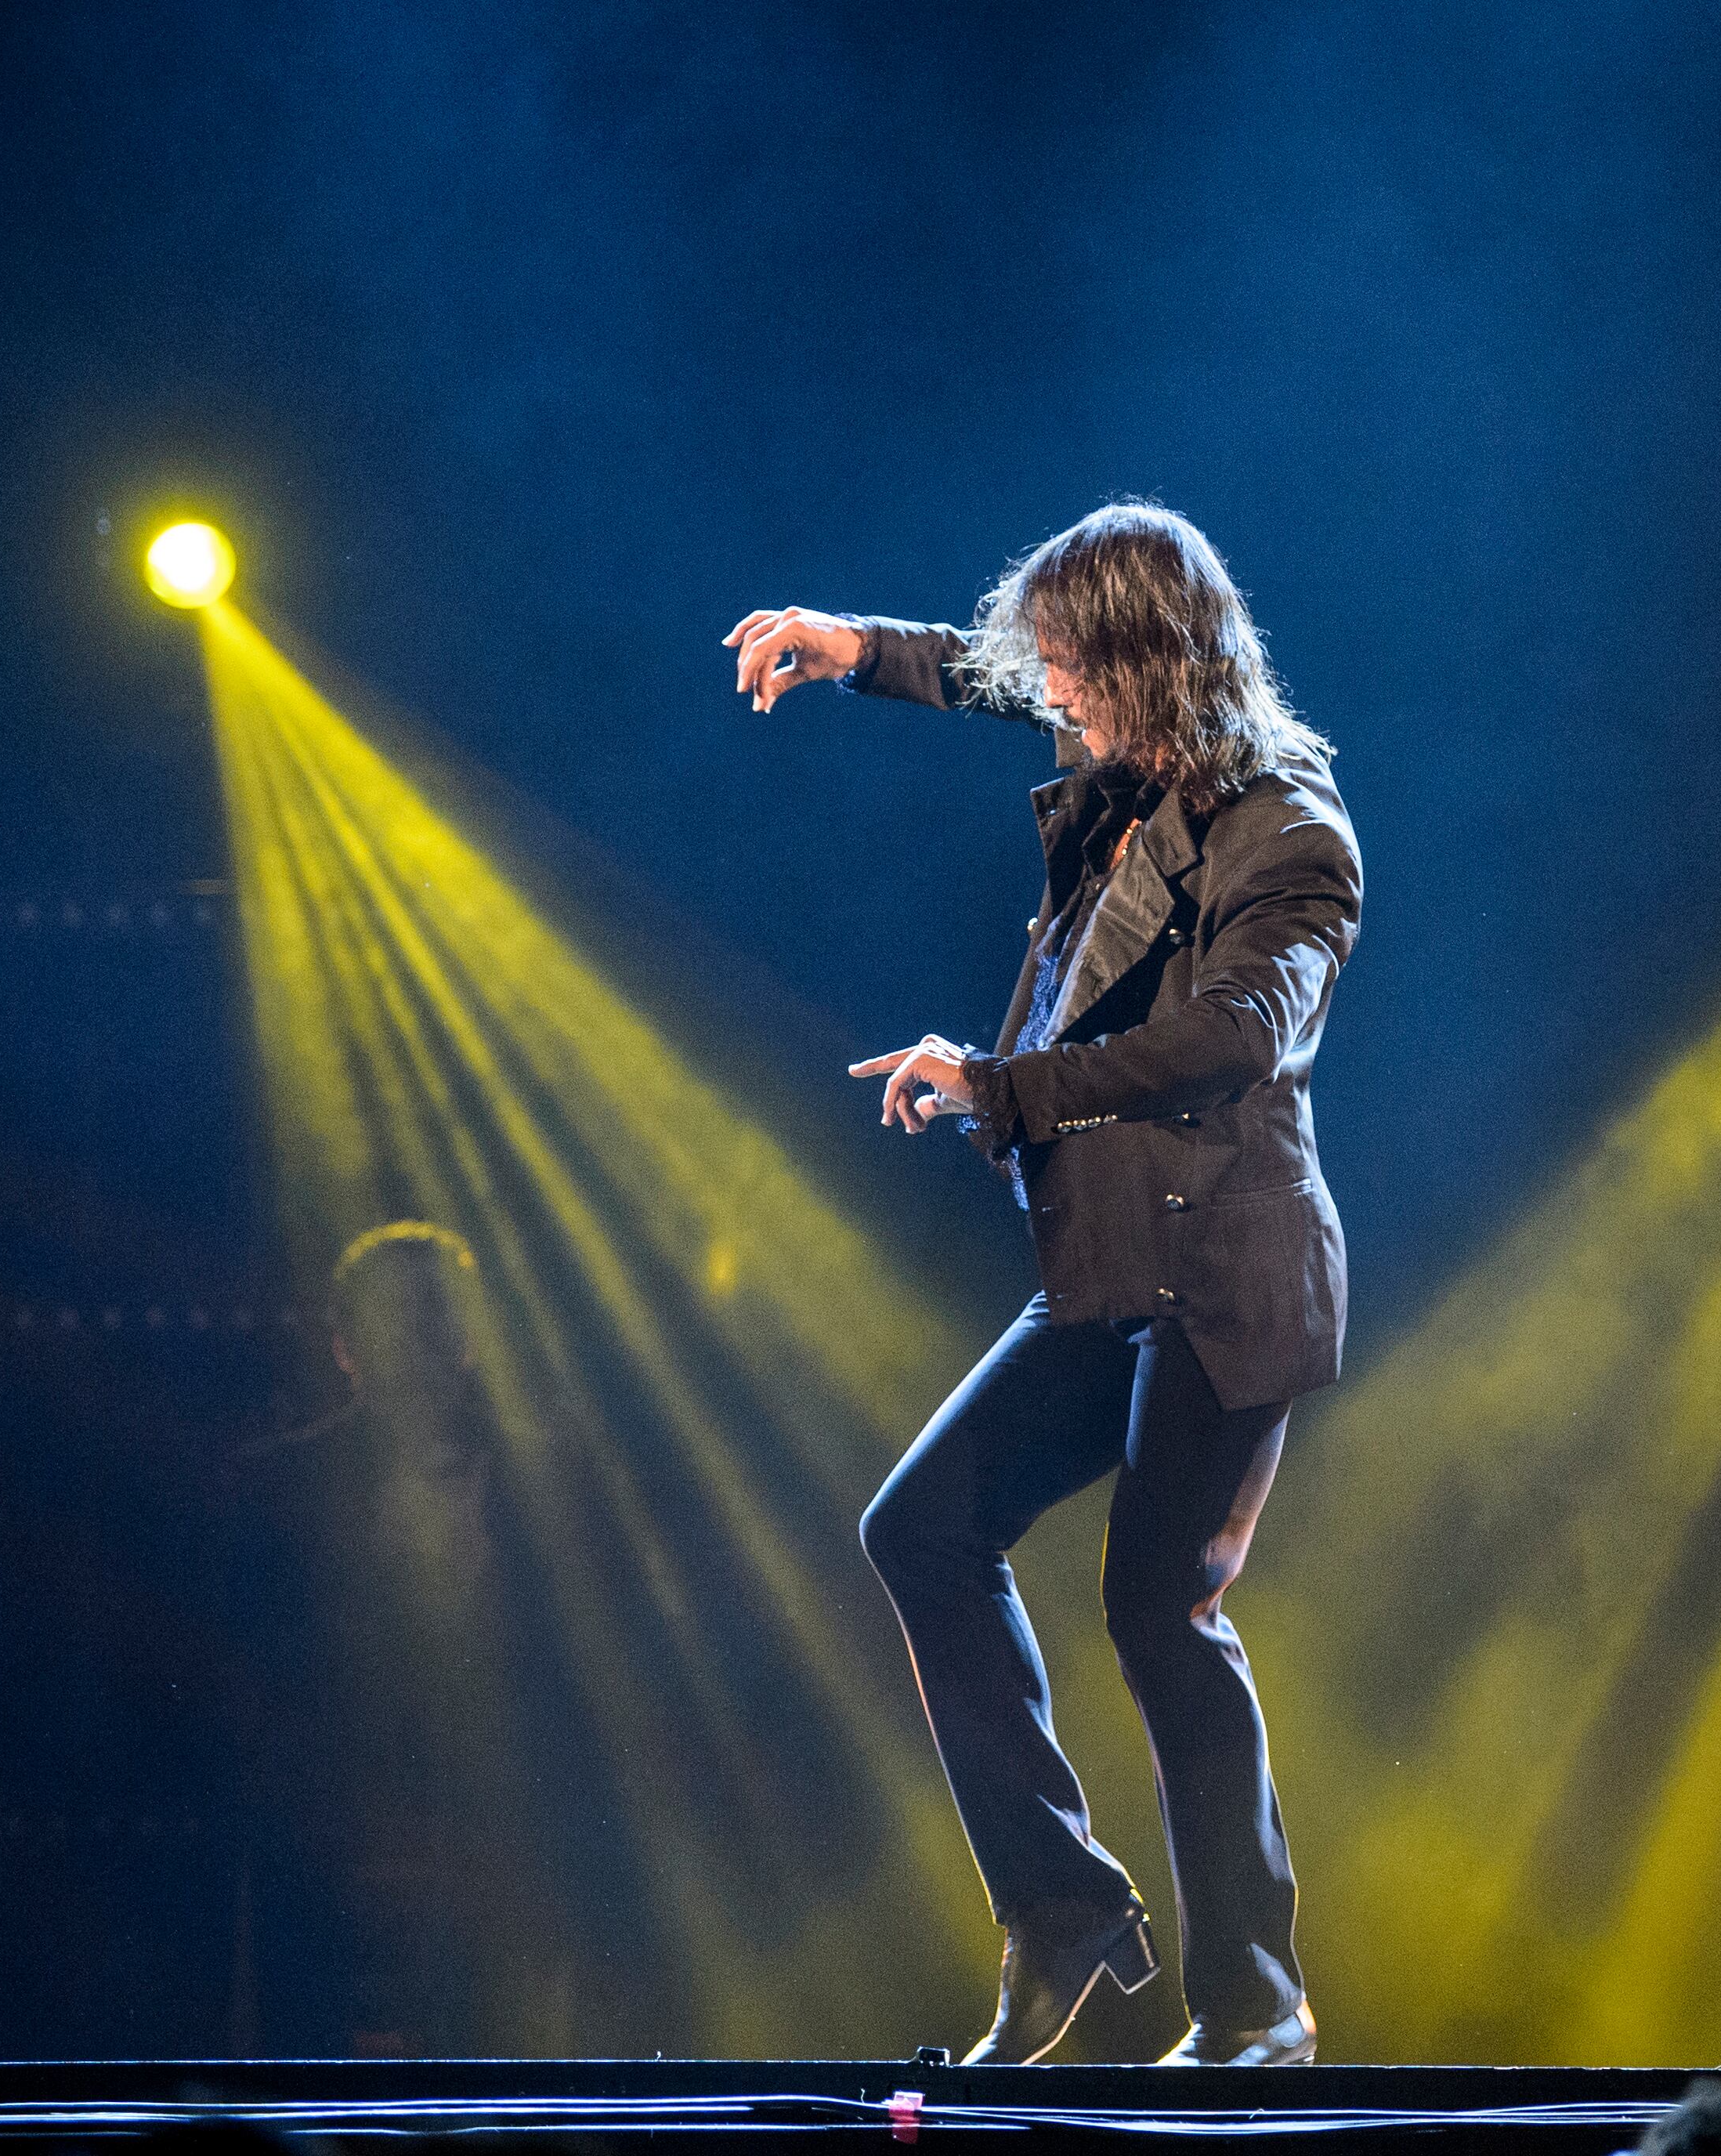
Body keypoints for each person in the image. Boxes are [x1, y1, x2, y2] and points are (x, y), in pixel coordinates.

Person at [724, 503, 1360, 2066]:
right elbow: (994, 667)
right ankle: (1064, 1906)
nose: (1051, 693)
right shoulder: (1134, 753)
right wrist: (854, 646)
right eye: (1051, 670)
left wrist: (1005, 1083)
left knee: (1158, 1603)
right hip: (1108, 1263)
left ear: (1154, 665)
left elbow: (1233, 1038)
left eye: (1078, 670)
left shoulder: (1288, 829)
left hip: (1225, 1271)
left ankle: (1254, 2000)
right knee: (921, 1526)